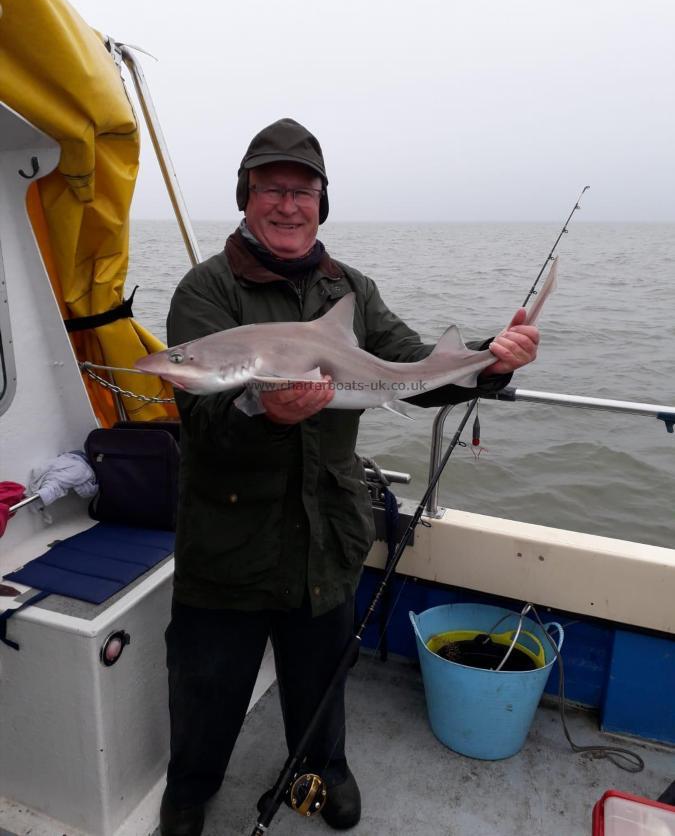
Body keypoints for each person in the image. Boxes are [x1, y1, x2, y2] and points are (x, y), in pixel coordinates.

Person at [159, 118, 539, 836]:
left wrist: (489, 359)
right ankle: (190, 789)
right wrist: (266, 417)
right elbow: (199, 425)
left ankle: (322, 768)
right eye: (270, 188)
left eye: (303, 190)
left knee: (322, 675)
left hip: (325, 530)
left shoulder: (350, 291)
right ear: (244, 199)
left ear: (321, 203)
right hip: (228, 532)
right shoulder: (206, 292)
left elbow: (414, 371)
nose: (287, 204)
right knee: (206, 685)